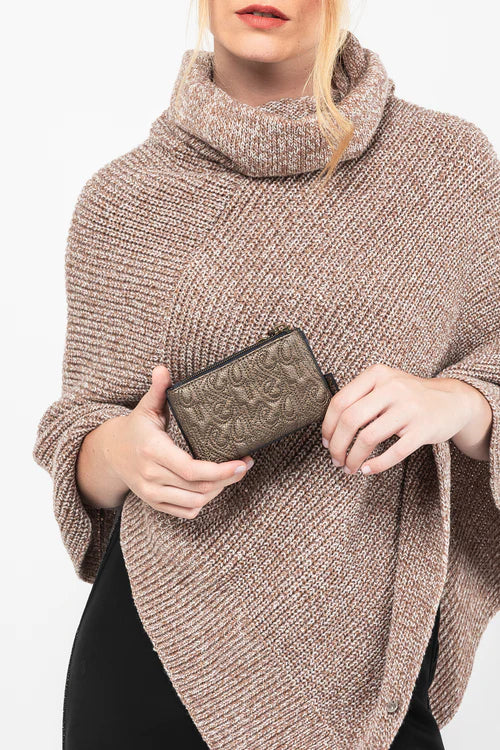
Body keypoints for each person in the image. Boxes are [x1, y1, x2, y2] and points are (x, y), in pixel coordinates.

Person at [33, 1, 499, 749]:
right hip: (154, 651)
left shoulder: (447, 169)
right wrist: (120, 450)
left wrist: (455, 400)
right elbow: (78, 435)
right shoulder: (123, 199)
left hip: (368, 660)